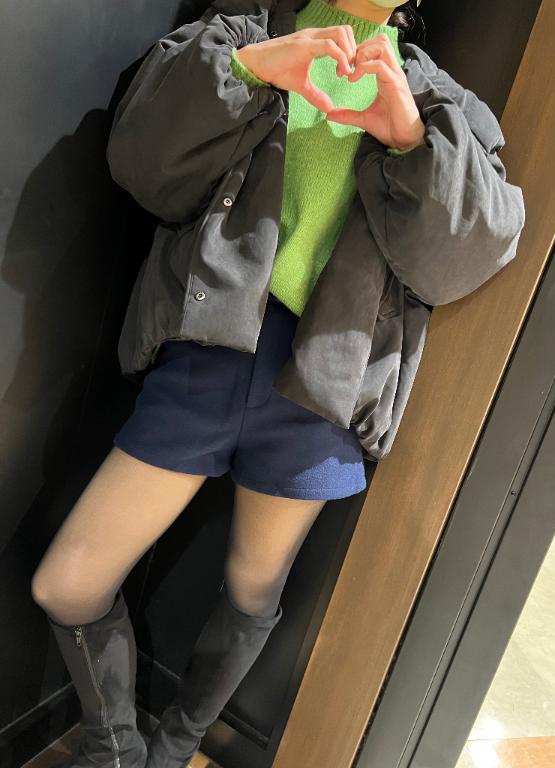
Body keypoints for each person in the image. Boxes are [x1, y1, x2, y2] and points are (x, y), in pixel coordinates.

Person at [30, 0, 523, 766]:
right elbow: (143, 161)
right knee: (67, 582)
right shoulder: (245, 31)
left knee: (253, 593)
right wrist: (253, 68)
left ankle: (175, 747)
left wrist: (411, 139)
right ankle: (116, 750)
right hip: (209, 353)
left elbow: (460, 261)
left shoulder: (444, 106)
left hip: (326, 386)